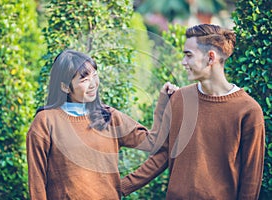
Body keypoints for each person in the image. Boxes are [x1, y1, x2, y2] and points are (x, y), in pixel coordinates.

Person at [121, 24, 265, 199]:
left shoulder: (248, 110)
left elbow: (251, 180)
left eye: (188, 55)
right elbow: (162, 155)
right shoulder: (180, 99)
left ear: (210, 58)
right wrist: (119, 188)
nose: (183, 62)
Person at [26, 49, 178, 199]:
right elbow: (36, 181)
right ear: (65, 86)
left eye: (95, 76)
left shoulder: (109, 117)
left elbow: (155, 143)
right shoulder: (45, 122)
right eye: (84, 79)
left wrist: (164, 102)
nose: (93, 84)